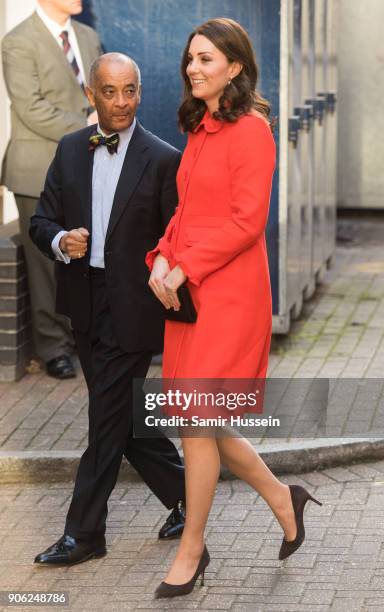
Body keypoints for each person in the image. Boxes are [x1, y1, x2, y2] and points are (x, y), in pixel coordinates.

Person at [147, 18, 322, 599]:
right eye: (190, 59)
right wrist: (160, 256)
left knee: (197, 423)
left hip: (228, 295)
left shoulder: (251, 130)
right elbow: (186, 211)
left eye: (206, 59)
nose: (193, 68)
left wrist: (185, 266)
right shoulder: (201, 125)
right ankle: (283, 498)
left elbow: (247, 222)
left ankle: (192, 548)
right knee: (206, 424)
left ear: (236, 66)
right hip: (190, 294)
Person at [29, 52, 186, 566]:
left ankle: (85, 534)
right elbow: (40, 220)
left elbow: (173, 237)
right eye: (110, 92)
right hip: (83, 301)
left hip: (133, 309)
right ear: (91, 96)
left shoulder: (163, 158)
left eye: (130, 91)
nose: (121, 103)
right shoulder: (71, 148)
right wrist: (60, 241)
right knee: (123, 414)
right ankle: (187, 497)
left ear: (140, 92)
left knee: (104, 422)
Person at [1, 0, 101, 379]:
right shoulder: (18, 41)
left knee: (79, 253)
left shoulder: (88, 37)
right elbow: (31, 108)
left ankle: (78, 335)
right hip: (35, 170)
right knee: (45, 262)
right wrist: (86, 122)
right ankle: (52, 348)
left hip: (82, 167)